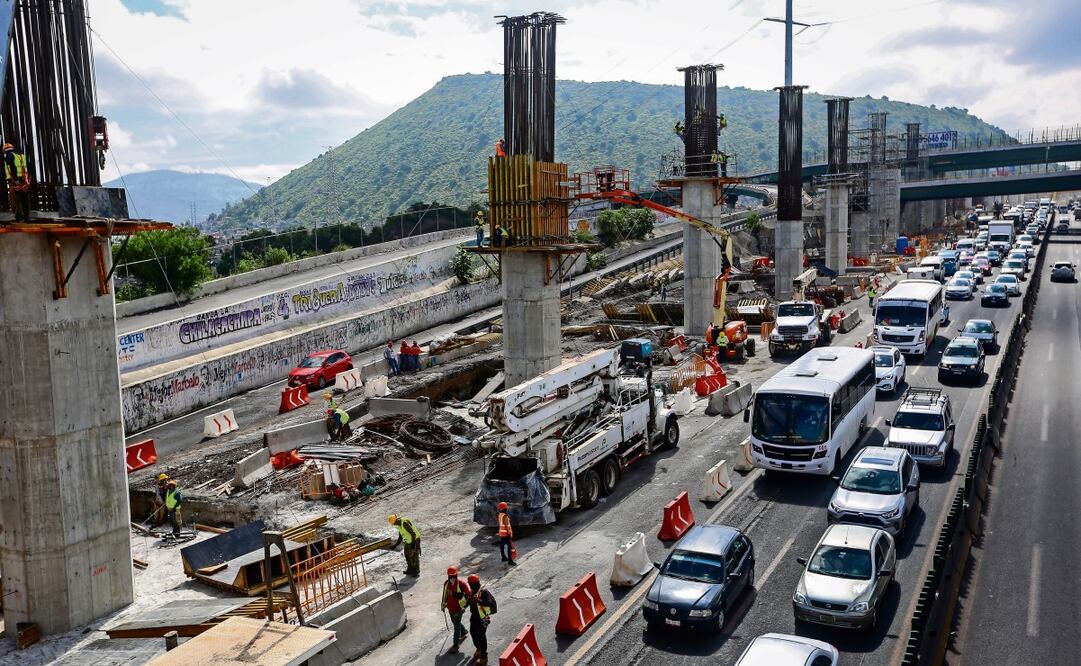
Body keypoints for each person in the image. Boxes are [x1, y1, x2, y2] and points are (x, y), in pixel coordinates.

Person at [467, 573, 497, 665]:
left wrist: (479, 601)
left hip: (483, 617)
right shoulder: (472, 591)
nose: (470, 586)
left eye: (471, 584)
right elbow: (469, 600)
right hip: (474, 616)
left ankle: (484, 657)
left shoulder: (484, 592)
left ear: (476, 583)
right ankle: (479, 648)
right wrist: (464, 606)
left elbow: (488, 603)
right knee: (472, 632)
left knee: (481, 636)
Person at [441, 566, 471, 653]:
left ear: (456, 575)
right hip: (450, 608)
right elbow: (444, 595)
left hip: (459, 609)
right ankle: (464, 631)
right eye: (450, 576)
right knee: (455, 622)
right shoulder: (446, 584)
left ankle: (455, 645)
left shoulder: (462, 584)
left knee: (456, 626)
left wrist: (464, 606)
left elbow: (469, 595)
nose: (452, 578)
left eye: (453, 576)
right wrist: (443, 605)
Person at [3, 143, 30, 223]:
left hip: (15, 180)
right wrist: (28, 180)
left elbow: (12, 166)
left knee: (15, 198)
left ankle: (19, 218)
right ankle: (26, 217)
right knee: (24, 198)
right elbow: (29, 167)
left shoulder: (8, 155)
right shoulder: (22, 156)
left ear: (4, 150)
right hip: (24, 180)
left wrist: (15, 179)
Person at [496, 502, 517, 566]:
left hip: (501, 533)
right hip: (505, 533)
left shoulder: (500, 514)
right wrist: (509, 533)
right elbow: (506, 526)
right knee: (510, 547)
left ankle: (503, 557)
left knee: (502, 545)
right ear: (505, 508)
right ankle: (510, 561)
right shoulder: (505, 516)